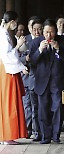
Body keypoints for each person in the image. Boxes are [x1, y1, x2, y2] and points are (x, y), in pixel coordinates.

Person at [30, 19, 64, 144]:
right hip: (42, 81)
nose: (49, 35)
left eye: (52, 32)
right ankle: (45, 136)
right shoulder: (36, 42)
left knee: (57, 107)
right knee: (43, 109)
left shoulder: (62, 41)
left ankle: (56, 135)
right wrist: (40, 50)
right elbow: (32, 61)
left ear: (56, 32)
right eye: (47, 32)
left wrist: (58, 49)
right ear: (43, 31)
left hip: (57, 80)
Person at [0, 11, 27, 145]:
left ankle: (6, 135)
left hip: (6, 69)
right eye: (15, 22)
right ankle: (7, 135)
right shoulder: (3, 36)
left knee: (7, 102)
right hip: (7, 70)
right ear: (11, 22)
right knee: (9, 102)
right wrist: (18, 45)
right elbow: (7, 56)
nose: (15, 25)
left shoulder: (4, 34)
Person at [20, 18, 43, 141]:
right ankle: (30, 130)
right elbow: (20, 57)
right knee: (29, 106)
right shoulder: (26, 40)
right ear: (31, 29)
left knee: (39, 107)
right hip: (28, 77)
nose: (37, 31)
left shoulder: (45, 40)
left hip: (41, 78)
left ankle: (38, 131)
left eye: (39, 29)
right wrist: (25, 61)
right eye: (35, 29)